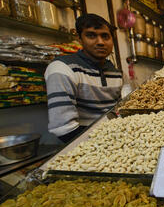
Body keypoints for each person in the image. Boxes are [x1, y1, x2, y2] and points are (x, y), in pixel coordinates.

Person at [45, 14, 123, 143]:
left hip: (115, 137)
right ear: (79, 39)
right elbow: (64, 129)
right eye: (91, 35)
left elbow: (116, 112)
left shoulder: (116, 72)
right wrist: (104, 143)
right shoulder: (62, 69)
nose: (100, 42)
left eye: (105, 36)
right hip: (83, 143)